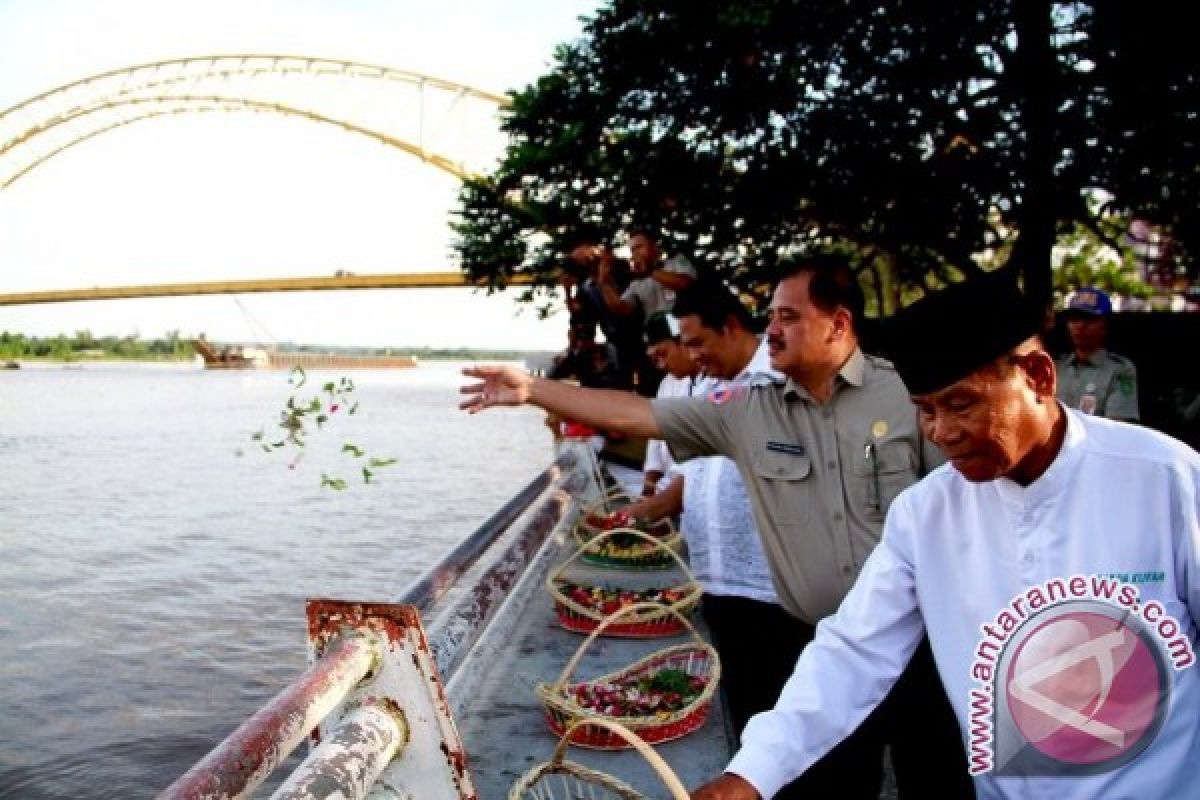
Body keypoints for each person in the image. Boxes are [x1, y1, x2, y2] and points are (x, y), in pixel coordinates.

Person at [461, 258, 971, 799]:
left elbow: (962, 508)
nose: (770, 329)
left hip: (921, 646)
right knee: (829, 789)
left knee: (938, 781)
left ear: (839, 324)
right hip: (823, 656)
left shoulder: (907, 396)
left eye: (789, 317)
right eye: (770, 316)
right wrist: (533, 390)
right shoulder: (747, 410)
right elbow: (640, 415)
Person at [689, 270, 1200, 800]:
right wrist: (752, 774)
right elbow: (853, 652)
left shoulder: (1164, 480)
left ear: (1039, 376)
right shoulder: (926, 514)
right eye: (925, 410)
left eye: (961, 404)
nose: (941, 432)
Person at [621, 281, 789, 746]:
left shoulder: (777, 378)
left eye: (697, 342)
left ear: (731, 326)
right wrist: (653, 506)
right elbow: (695, 475)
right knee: (742, 712)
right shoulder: (712, 385)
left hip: (772, 591)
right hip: (717, 581)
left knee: (782, 718)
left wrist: (535, 389)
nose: (692, 355)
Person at [640, 312, 703, 496]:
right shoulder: (667, 383)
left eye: (663, 354)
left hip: (686, 489)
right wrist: (649, 483)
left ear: (683, 343)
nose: (661, 365)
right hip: (669, 489)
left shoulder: (713, 383)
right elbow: (655, 438)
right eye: (654, 359)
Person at [1055, 287, 1139, 421]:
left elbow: (1118, 426)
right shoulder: (1056, 366)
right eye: (1075, 319)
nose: (1080, 326)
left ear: (1106, 325)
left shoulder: (1119, 369)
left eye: (1089, 319)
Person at [595, 229, 698, 321]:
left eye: (639, 247)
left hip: (684, 325)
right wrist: (604, 283)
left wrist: (649, 271)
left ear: (654, 247)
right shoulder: (636, 282)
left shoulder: (675, 262)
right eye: (632, 250)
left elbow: (684, 283)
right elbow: (622, 309)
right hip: (658, 335)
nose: (635, 253)